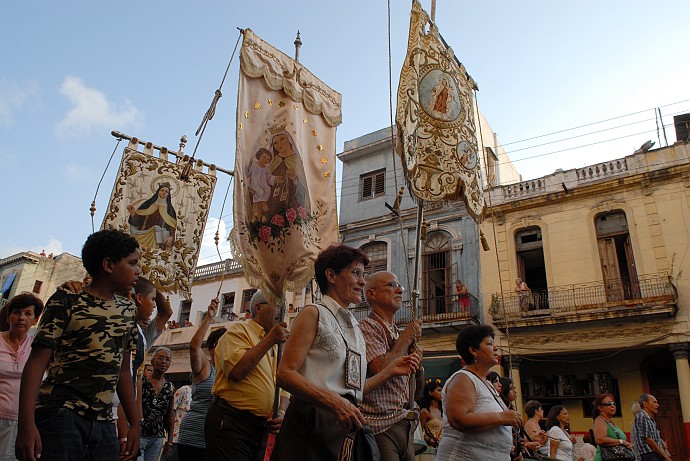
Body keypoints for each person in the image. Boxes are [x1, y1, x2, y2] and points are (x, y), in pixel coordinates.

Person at [272, 244, 420, 460]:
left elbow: (354, 390)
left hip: (343, 425)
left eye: (363, 274)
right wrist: (333, 401)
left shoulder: (354, 326)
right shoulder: (313, 313)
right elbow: (285, 374)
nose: (362, 281)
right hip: (312, 421)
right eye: (356, 273)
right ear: (331, 275)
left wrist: (391, 371)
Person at [16, 229, 141, 461]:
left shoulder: (128, 310)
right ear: (108, 265)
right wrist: (26, 424)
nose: (138, 271)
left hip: (104, 423)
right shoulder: (66, 300)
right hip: (61, 416)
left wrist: (135, 423)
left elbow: (124, 370)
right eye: (132, 263)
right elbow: (36, 363)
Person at [205, 290, 289, 461]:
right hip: (232, 423)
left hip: (261, 428)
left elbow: (283, 385)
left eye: (285, 308)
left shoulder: (275, 345)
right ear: (258, 307)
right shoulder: (237, 331)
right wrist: (269, 340)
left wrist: (281, 412)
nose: (282, 312)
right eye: (278, 306)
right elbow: (237, 371)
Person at [359, 271, 423, 461]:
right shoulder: (367, 326)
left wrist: (418, 365)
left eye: (400, 287)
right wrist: (405, 338)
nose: (399, 291)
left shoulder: (396, 332)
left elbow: (416, 392)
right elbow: (380, 369)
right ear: (371, 294)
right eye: (392, 285)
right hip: (380, 426)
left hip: (403, 423)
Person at [434, 325, 522, 460]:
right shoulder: (463, 379)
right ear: (473, 350)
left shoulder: (485, 383)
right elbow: (459, 419)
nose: (496, 348)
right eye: (489, 343)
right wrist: (502, 418)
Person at [177, 299, 226, 461]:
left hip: (217, 441)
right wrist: (209, 318)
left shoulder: (231, 372)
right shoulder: (206, 368)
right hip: (194, 438)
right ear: (213, 347)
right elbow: (194, 347)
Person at [0, 294, 43, 460]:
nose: (21, 318)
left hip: (24, 422)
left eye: (28, 314)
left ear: (35, 320)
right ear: (9, 316)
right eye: (17, 312)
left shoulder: (38, 347)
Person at [139, 347, 175, 461]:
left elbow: (170, 416)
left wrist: (169, 443)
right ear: (152, 361)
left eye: (167, 359)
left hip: (157, 438)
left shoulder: (169, 387)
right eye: (161, 358)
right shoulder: (141, 383)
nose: (164, 361)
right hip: (139, 435)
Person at [267, 130, 310, 217]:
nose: (279, 145)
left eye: (282, 139)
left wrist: (295, 179)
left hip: (293, 201)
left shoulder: (297, 160)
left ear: (289, 140)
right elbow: (265, 180)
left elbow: (305, 185)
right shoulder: (274, 161)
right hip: (273, 202)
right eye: (275, 143)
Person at [128, 181, 177, 250]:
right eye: (162, 190)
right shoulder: (148, 204)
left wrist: (171, 237)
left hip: (159, 240)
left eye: (166, 192)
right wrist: (133, 213)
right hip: (143, 235)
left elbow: (171, 226)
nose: (164, 193)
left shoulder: (170, 210)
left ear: (168, 194)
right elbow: (137, 222)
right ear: (158, 191)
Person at [592, 394, 633, 461]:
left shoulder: (610, 422)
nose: (612, 406)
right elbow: (600, 439)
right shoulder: (600, 420)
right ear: (600, 407)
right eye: (608, 404)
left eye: (613, 403)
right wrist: (622, 442)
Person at [633, 394, 671, 461]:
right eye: (654, 402)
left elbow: (654, 438)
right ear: (645, 404)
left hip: (656, 453)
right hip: (649, 454)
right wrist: (665, 456)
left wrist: (662, 443)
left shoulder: (651, 419)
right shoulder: (641, 416)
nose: (657, 405)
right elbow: (648, 439)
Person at [247, 148, 277, 219]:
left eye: (267, 159)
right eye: (264, 157)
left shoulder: (266, 169)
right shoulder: (254, 164)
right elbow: (248, 174)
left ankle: (263, 201)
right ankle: (262, 203)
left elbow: (269, 177)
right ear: (259, 156)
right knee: (260, 191)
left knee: (268, 189)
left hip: (263, 183)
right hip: (254, 183)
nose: (265, 160)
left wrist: (275, 178)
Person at [419, 381, 443, 450]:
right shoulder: (425, 412)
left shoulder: (444, 412)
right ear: (430, 393)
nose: (442, 393)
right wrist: (429, 439)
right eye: (439, 390)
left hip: (443, 449)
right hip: (429, 450)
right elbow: (419, 434)